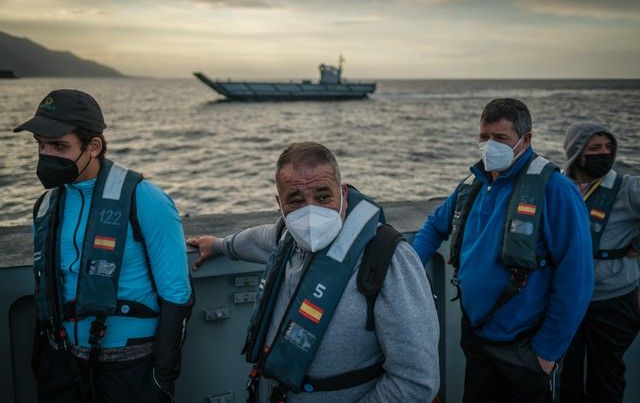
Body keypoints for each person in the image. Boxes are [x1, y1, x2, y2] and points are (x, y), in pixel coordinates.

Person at [188, 142, 440, 402]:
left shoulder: (389, 258)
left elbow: (415, 381)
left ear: (342, 193)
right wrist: (217, 245)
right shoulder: (286, 239)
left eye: (322, 196)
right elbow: (252, 241)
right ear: (279, 204)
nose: (310, 212)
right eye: (295, 200)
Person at [13, 89, 194, 403]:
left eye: (59, 146)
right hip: (61, 367)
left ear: (93, 146)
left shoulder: (145, 198)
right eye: (41, 145)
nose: (47, 155)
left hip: (129, 371)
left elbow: (176, 295)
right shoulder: (45, 206)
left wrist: (161, 379)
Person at [411, 98, 594, 403]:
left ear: (527, 140)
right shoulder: (472, 184)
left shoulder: (555, 190)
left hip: (526, 345)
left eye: (500, 139)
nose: (489, 146)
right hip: (476, 337)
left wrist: (547, 351)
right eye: (484, 137)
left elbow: (576, 277)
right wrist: (409, 270)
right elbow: (433, 227)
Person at [559, 121, 640, 403]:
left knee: (606, 378)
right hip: (566, 299)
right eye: (595, 148)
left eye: (608, 147)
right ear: (577, 153)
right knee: (563, 375)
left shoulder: (627, 187)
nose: (604, 153)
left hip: (613, 300)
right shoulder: (559, 187)